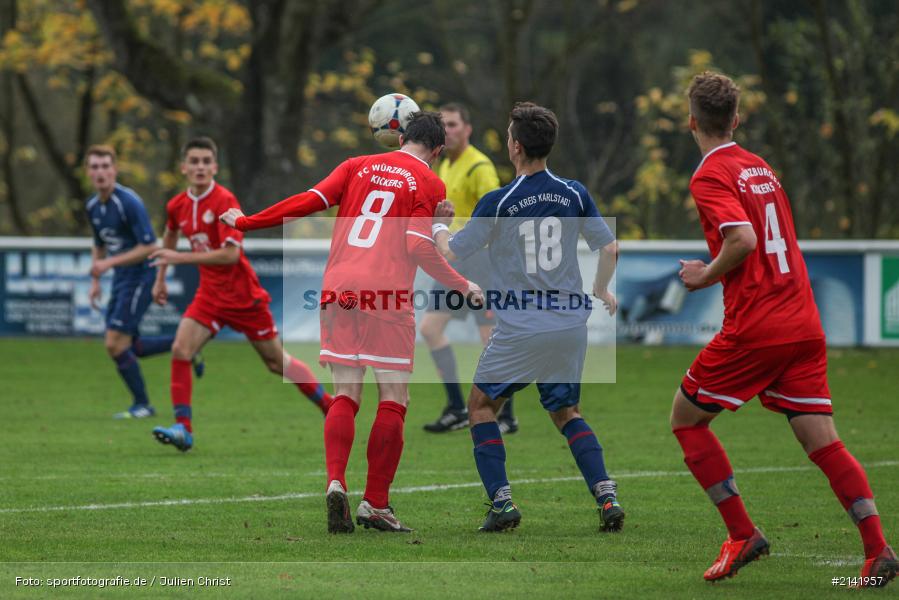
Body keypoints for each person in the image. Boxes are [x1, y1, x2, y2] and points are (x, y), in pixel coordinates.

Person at [671, 71, 896, 585]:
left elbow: (744, 239)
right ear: (736, 119)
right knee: (823, 441)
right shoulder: (760, 167)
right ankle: (877, 549)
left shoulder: (709, 175)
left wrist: (705, 275)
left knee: (686, 419)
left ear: (691, 122)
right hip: (803, 323)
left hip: (758, 326)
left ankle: (742, 534)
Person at [220, 112, 481, 534]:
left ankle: (336, 481)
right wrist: (462, 282)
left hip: (337, 288)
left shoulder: (356, 165)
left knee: (345, 393)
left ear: (400, 136)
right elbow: (418, 247)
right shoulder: (429, 182)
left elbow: (306, 201)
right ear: (436, 150)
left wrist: (248, 222)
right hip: (386, 295)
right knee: (394, 397)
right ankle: (375, 503)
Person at [432, 102, 623, 533]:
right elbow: (610, 248)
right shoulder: (574, 193)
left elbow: (453, 253)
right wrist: (600, 290)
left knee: (481, 407)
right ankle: (607, 496)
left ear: (515, 146)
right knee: (567, 412)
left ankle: (502, 504)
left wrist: (439, 225)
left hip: (521, 327)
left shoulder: (499, 201)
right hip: (569, 324)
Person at [149, 137, 332, 452]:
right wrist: (161, 278)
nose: (200, 167)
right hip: (210, 296)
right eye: (194, 161)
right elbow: (169, 234)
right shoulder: (177, 205)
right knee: (181, 349)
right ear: (183, 167)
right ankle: (183, 429)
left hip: (244, 298)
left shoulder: (225, 201)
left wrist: (179, 258)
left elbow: (230, 255)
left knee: (276, 362)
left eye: (206, 161)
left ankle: (329, 405)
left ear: (215, 167)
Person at [420, 103, 517, 434]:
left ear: (467, 129)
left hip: (481, 262)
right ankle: (456, 408)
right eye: (443, 125)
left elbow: (496, 217)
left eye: (453, 124)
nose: (447, 131)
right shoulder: (445, 164)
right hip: (453, 262)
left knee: (490, 338)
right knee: (430, 329)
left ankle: (505, 415)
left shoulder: (480, 166)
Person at [85, 145, 197, 419]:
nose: (100, 172)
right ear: (88, 172)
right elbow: (99, 244)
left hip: (142, 275)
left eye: (105, 166)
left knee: (115, 343)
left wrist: (108, 263)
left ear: (114, 170)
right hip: (122, 277)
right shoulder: (92, 206)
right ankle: (187, 345)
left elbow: (149, 246)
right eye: (95, 167)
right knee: (128, 346)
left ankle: (143, 405)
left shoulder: (128, 202)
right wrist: (96, 280)